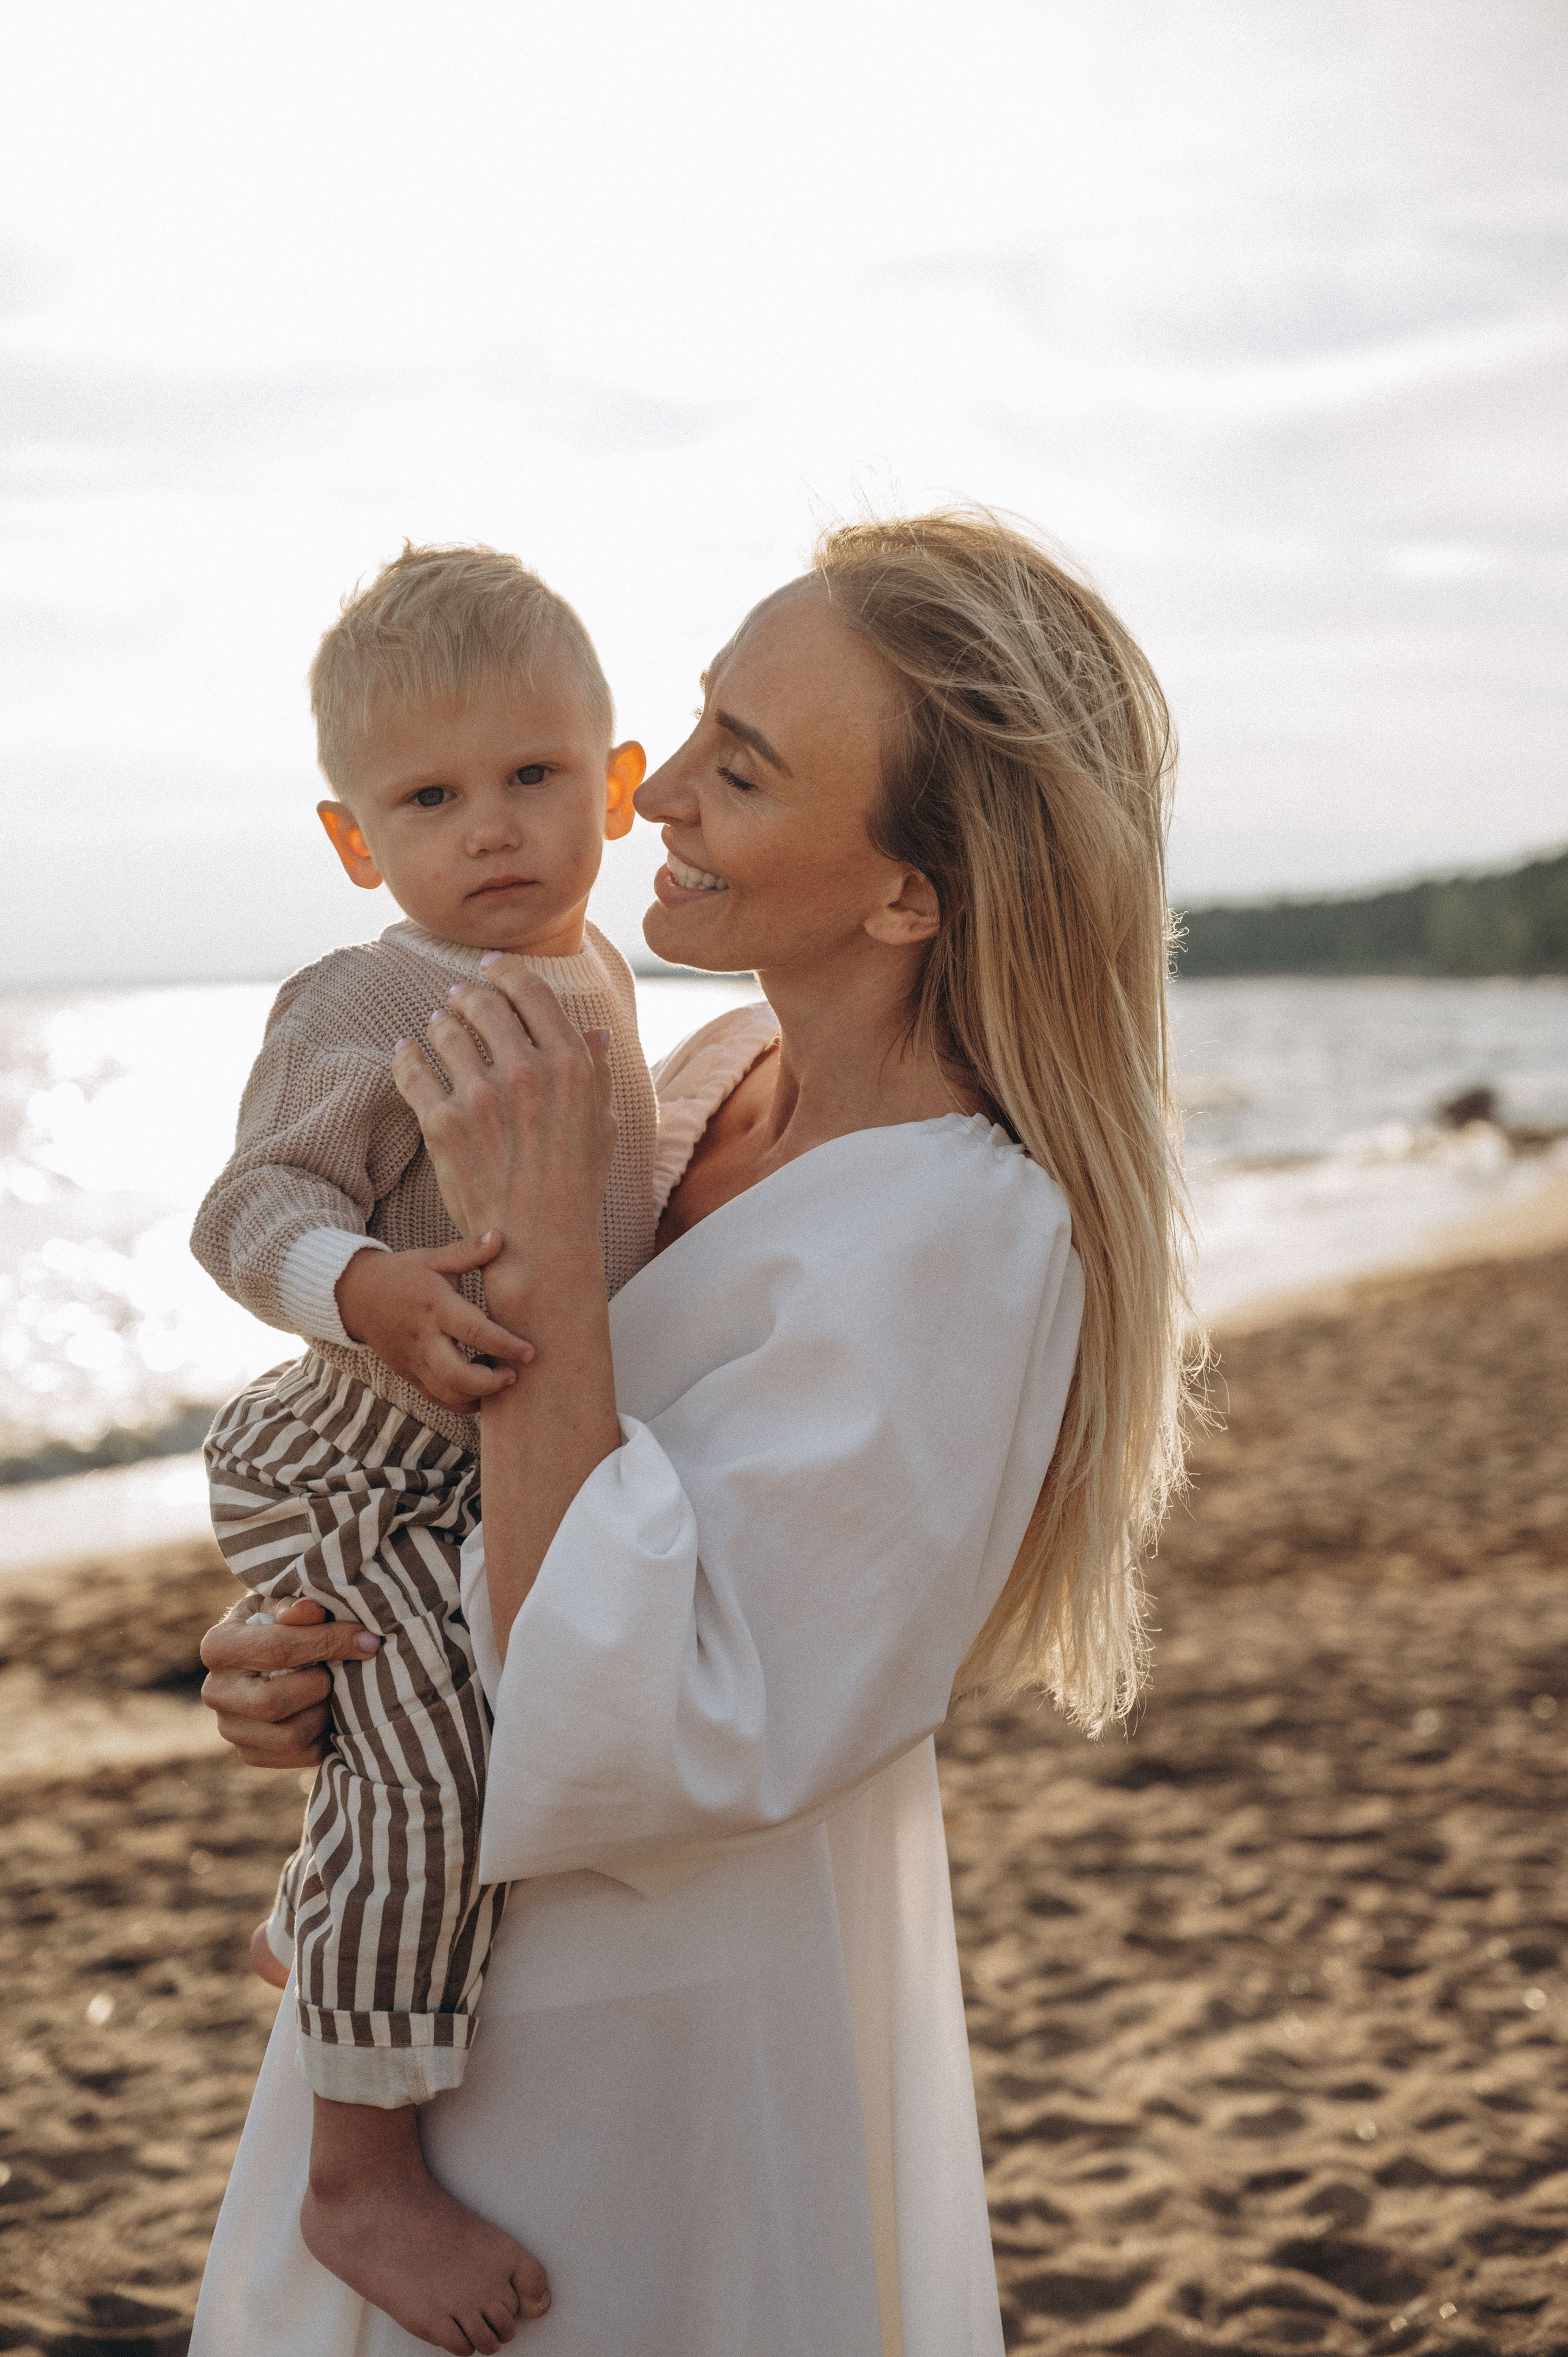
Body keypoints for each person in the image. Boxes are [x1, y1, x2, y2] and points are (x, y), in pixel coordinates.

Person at [193, 508, 1191, 2357]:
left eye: (741, 770)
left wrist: (546, 1265)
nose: (652, 804)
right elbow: (471, 1495)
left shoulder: (971, 1234)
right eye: (698, 725)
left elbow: (682, 1712)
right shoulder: (703, 1081)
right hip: (423, 1980)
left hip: (648, 2046)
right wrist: (312, 1652)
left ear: (911, 893)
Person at [191, 543, 659, 2343]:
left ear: (617, 786)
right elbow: (249, 1211)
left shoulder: (603, 968)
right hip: (349, 1454)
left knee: (449, 1725)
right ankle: (360, 2173)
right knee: (434, 1746)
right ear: (351, 837)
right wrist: (367, 1284)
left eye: (536, 776)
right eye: (431, 796)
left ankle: (329, 1916)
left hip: (476, 1461)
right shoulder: (361, 1003)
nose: (494, 828)